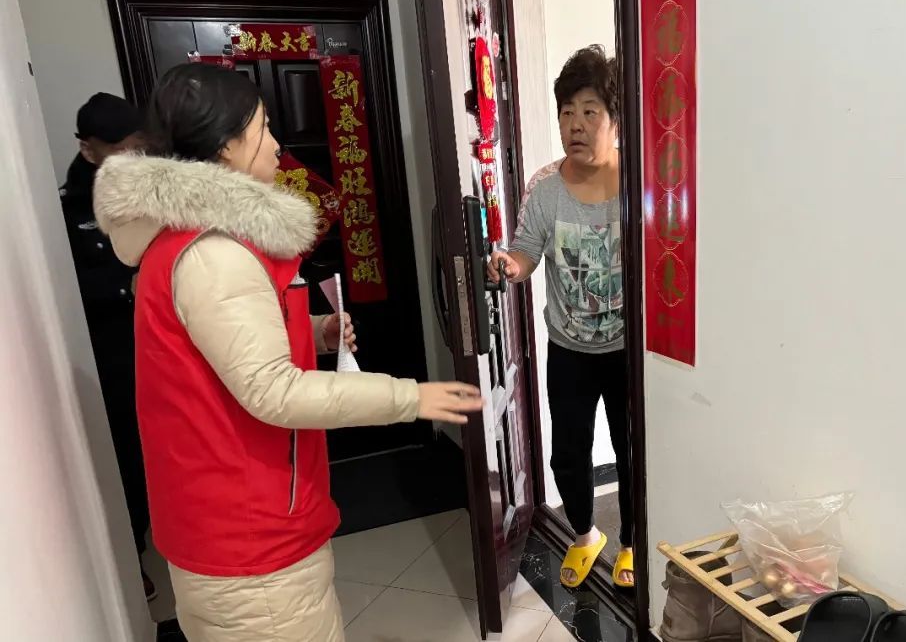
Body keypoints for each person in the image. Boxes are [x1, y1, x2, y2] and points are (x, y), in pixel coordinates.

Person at [92, 63, 481, 642]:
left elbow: (226, 347)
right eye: (263, 129)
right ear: (225, 146)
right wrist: (410, 397)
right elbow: (273, 390)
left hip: (231, 524)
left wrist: (319, 332)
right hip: (249, 543)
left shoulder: (189, 240)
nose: (277, 145)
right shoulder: (212, 252)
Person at [487, 45, 632, 589]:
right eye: (567, 111)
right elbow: (527, 249)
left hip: (627, 349)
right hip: (568, 348)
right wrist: (511, 265)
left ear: (615, 119)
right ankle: (585, 535)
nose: (576, 124)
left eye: (590, 111)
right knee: (567, 453)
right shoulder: (545, 188)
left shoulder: (639, 179)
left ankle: (632, 542)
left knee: (632, 451)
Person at [60, 93, 156, 600]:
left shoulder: (153, 191)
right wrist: (128, 287)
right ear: (89, 149)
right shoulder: (68, 210)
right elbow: (69, 287)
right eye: (120, 150)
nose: (132, 159)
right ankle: (130, 555)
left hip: (163, 344)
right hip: (114, 355)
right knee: (126, 459)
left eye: (138, 148)